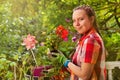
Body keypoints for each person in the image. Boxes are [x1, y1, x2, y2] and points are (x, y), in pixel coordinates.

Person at [51, 5, 106, 80]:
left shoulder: (90, 40)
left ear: (91, 19)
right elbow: (77, 71)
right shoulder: (84, 39)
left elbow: (84, 75)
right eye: (74, 20)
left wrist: (65, 61)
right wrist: (62, 61)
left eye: (81, 19)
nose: (76, 24)